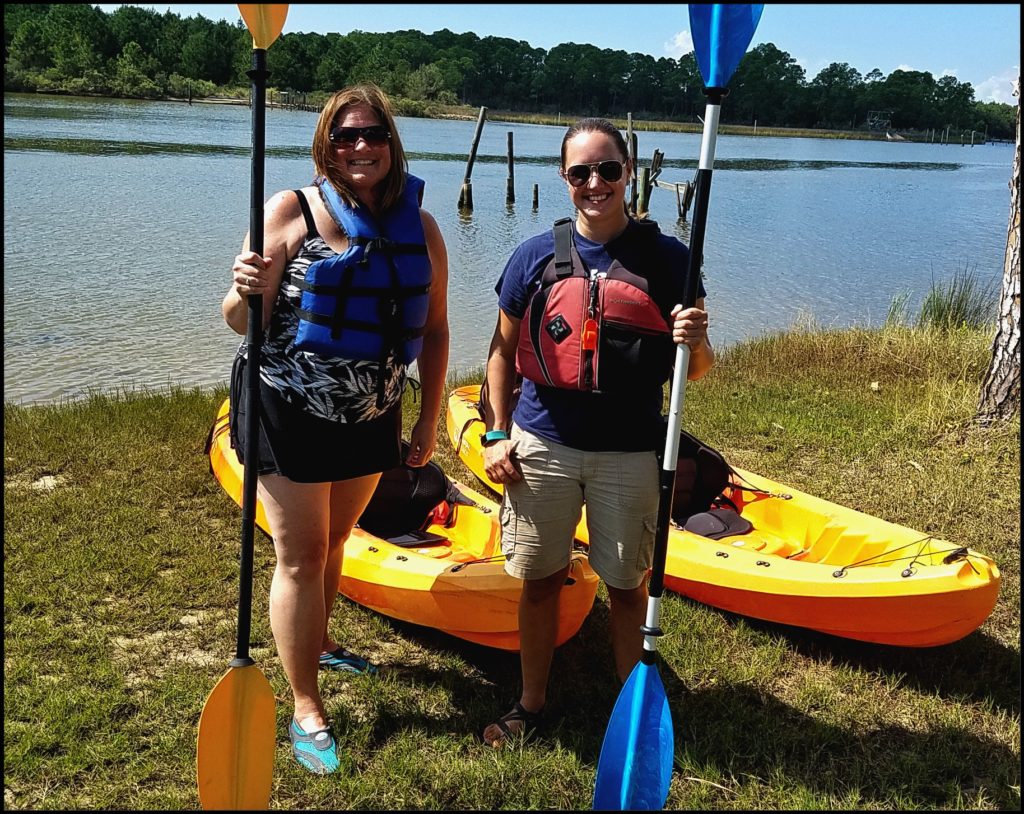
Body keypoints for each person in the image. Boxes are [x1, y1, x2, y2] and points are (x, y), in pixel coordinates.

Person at [222, 82, 449, 774]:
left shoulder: (424, 227)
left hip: (373, 412)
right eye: (346, 135)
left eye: (373, 134)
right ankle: (304, 704)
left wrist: (428, 420)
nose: (360, 146)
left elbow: (435, 331)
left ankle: (317, 645)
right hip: (286, 405)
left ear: (392, 143)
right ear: (326, 143)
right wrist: (243, 286)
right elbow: (236, 317)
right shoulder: (290, 210)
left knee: (338, 541)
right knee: (299, 552)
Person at [479, 117, 714, 747]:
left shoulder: (668, 260)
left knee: (626, 584)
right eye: (581, 171)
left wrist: (696, 341)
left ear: (628, 172)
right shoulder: (533, 256)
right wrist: (495, 434)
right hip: (542, 444)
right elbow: (501, 354)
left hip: (629, 451)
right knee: (539, 581)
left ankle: (628, 709)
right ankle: (530, 704)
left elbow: (700, 366)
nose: (595, 183)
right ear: (564, 178)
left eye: (608, 169)